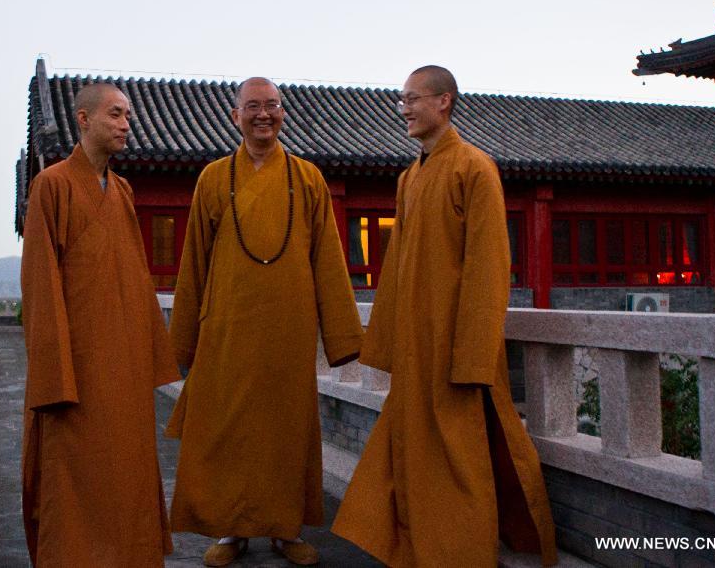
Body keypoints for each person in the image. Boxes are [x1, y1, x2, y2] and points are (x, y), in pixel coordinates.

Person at [331, 66, 558, 567]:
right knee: (412, 456)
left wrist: (474, 355)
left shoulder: (474, 168)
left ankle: (465, 553)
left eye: (413, 98)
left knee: (460, 457)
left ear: (444, 102)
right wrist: (386, 342)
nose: (404, 108)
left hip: (454, 347)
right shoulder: (409, 176)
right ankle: (416, 548)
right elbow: (398, 268)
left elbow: (489, 265)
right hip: (416, 344)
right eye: (401, 100)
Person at [165, 77, 363, 567]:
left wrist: (341, 336)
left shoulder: (308, 178)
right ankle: (232, 531)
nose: (263, 114)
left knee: (286, 428)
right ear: (235, 116)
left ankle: (285, 528)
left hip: (288, 328)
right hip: (227, 326)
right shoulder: (213, 177)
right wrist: (182, 342)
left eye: (272, 105)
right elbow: (193, 263)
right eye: (252, 106)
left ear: (282, 113)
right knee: (227, 429)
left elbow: (328, 259)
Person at [20, 82, 180, 566]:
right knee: (74, 476)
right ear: (84, 120)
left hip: (123, 367)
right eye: (115, 114)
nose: (126, 123)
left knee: (126, 475)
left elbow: (135, 277)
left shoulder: (124, 190)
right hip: (77, 371)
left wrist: (150, 356)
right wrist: (54, 375)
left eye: (128, 115)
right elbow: (40, 285)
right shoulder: (51, 186)